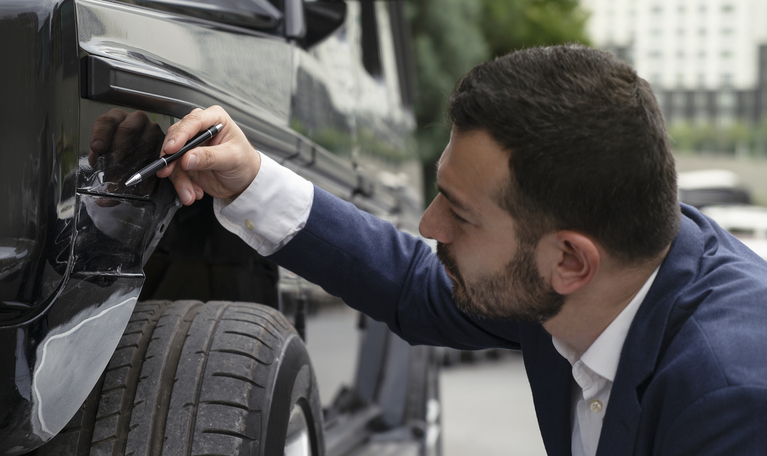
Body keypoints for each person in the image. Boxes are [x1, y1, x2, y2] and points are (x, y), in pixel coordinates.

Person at [156, 45, 767, 455]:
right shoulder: (591, 283)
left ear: (571, 262)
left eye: (461, 213)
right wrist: (251, 179)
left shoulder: (733, 400)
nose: (428, 224)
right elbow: (415, 287)